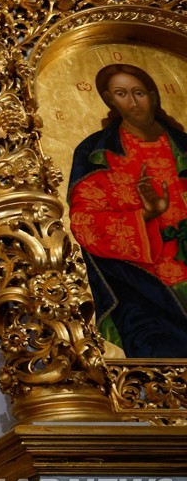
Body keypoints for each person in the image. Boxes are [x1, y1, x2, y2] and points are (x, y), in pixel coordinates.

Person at [69, 63, 187, 357]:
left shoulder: (183, 146)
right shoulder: (95, 152)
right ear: (109, 99)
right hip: (141, 289)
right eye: (122, 94)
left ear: (153, 94)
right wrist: (146, 215)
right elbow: (84, 223)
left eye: (139, 92)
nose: (133, 102)